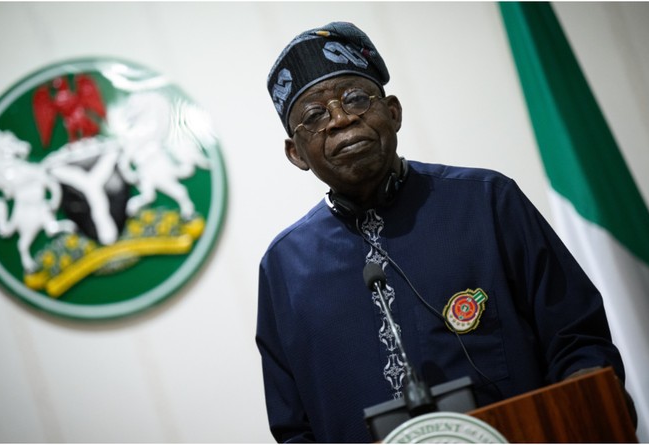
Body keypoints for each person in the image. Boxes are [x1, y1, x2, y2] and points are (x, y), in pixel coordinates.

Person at [257, 21, 629, 443]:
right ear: (296, 153)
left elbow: (577, 342)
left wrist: (580, 409)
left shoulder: (488, 202)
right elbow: (294, 428)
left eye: (356, 98)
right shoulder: (283, 268)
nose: (342, 119)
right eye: (315, 116)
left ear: (393, 112)